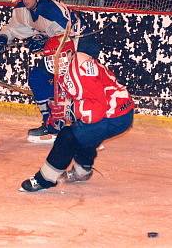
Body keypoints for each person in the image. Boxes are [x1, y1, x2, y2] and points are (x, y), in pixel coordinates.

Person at [0, 0, 100, 144]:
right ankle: (52, 124)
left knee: (74, 85)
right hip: (59, 47)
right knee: (38, 77)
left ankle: (90, 129)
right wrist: (3, 37)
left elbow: (66, 35)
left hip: (81, 43)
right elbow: (13, 28)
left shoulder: (51, 10)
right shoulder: (21, 10)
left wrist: (45, 41)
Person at [19, 35, 134, 192]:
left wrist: (70, 111)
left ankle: (45, 179)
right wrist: (58, 115)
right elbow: (72, 98)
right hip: (114, 111)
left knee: (68, 136)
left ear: (69, 55)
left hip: (116, 115)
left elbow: (97, 110)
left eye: (59, 57)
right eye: (51, 58)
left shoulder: (82, 70)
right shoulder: (67, 67)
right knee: (85, 133)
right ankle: (83, 171)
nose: (55, 62)